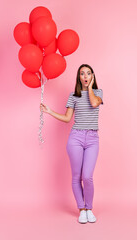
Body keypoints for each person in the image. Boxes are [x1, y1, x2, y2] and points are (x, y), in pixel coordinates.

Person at [40, 64, 103, 224]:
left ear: (92, 76)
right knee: (76, 176)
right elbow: (67, 118)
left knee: (87, 176)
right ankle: (81, 209)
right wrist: (49, 111)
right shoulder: (73, 96)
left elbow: (95, 104)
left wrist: (89, 88)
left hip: (92, 139)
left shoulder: (98, 93)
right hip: (76, 138)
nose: (85, 76)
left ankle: (89, 208)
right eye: (82, 74)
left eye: (88, 73)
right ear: (79, 77)